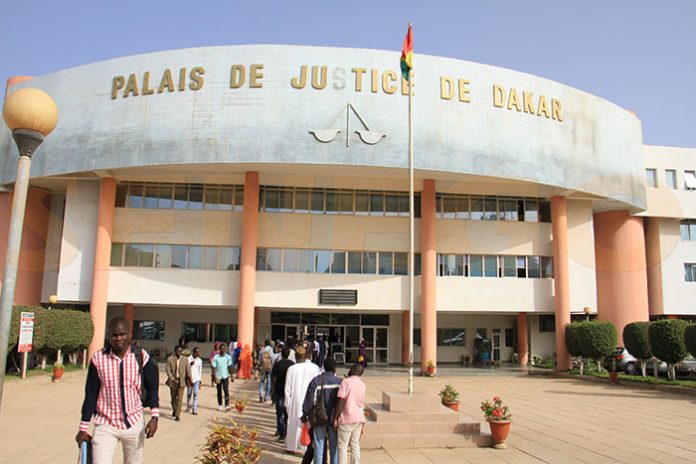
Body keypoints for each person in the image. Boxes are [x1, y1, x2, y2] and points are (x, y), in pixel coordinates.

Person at [75, 317, 159, 464]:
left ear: (129, 334)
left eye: (122, 334)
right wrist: (83, 428)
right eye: (114, 335)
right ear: (109, 335)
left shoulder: (141, 356)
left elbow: (152, 388)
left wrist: (154, 417)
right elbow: (91, 394)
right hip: (106, 424)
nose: (118, 338)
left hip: (134, 423)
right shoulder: (98, 359)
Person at [303, 358, 342, 464]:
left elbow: (310, 401)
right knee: (334, 447)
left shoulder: (316, 381)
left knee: (319, 447)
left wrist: (305, 415)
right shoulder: (340, 382)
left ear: (324, 367)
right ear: (334, 368)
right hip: (334, 418)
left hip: (319, 418)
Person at [284, 346, 321, 454]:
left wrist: (287, 403)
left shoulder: (292, 369)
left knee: (293, 424)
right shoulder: (314, 368)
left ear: (295, 356)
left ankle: (292, 447)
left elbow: (287, 388)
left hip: (295, 400)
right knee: (307, 425)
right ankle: (306, 448)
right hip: (309, 400)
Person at [333, 363, 366, 464]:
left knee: (342, 447)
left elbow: (341, 400)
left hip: (346, 417)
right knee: (355, 445)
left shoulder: (345, 382)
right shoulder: (362, 384)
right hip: (359, 418)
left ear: (353, 369)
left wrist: (335, 417)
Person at [271, 347, 294, 441]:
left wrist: (272, 391)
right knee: (287, 412)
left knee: (279, 413)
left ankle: (281, 433)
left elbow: (274, 379)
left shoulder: (277, 364)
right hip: (289, 392)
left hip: (279, 391)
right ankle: (287, 430)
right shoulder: (292, 365)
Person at [166, 345, 193, 421]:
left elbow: (188, 370)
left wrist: (191, 380)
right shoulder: (170, 359)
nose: (179, 352)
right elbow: (168, 370)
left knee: (180, 399)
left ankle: (177, 415)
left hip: (181, 381)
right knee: (173, 398)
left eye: (180, 351)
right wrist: (172, 378)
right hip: (173, 381)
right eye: (178, 351)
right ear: (175, 351)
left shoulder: (185, 359)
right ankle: (175, 409)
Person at [211, 344, 234, 411]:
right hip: (218, 376)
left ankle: (227, 404)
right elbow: (213, 367)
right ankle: (220, 404)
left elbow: (230, 367)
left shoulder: (228, 357)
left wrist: (232, 375)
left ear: (225, 349)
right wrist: (214, 377)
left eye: (223, 349)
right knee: (219, 391)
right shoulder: (216, 357)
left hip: (225, 376)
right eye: (221, 349)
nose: (222, 350)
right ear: (219, 349)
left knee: (226, 390)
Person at [186, 347, 202, 415]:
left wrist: (200, 380)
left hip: (196, 379)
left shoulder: (199, 360)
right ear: (194, 352)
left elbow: (200, 370)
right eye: (196, 352)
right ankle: (188, 405)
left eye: (199, 352)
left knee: (195, 394)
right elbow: (186, 368)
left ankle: (194, 409)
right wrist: (190, 365)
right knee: (189, 393)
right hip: (190, 379)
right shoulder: (189, 359)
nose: (198, 353)